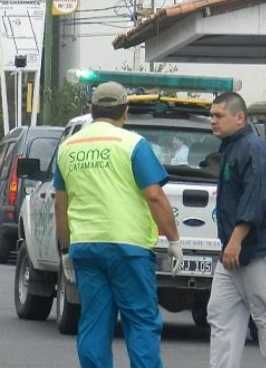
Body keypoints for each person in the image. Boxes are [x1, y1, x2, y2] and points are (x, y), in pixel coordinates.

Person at [53, 81, 182, 368]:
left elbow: (60, 204)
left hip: (85, 246)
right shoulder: (132, 144)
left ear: (91, 110)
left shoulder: (68, 148)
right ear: (125, 111)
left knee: (94, 323)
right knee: (141, 321)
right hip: (129, 247)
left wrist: (64, 247)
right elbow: (155, 196)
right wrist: (174, 240)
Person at [207, 92, 266, 368]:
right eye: (211, 115)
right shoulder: (232, 147)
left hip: (257, 249)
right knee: (220, 313)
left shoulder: (254, 149)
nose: (213, 121)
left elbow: (255, 197)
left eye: (219, 115)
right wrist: (231, 244)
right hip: (234, 251)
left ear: (239, 117)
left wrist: (235, 240)